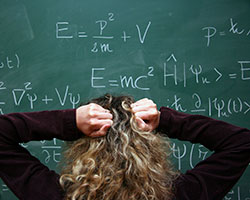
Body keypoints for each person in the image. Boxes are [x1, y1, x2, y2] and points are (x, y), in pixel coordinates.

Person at [0, 94, 249, 200]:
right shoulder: (180, 195)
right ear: (148, 145)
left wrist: (70, 121)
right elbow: (241, 142)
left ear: (84, 146)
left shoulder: (56, 196)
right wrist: (165, 120)